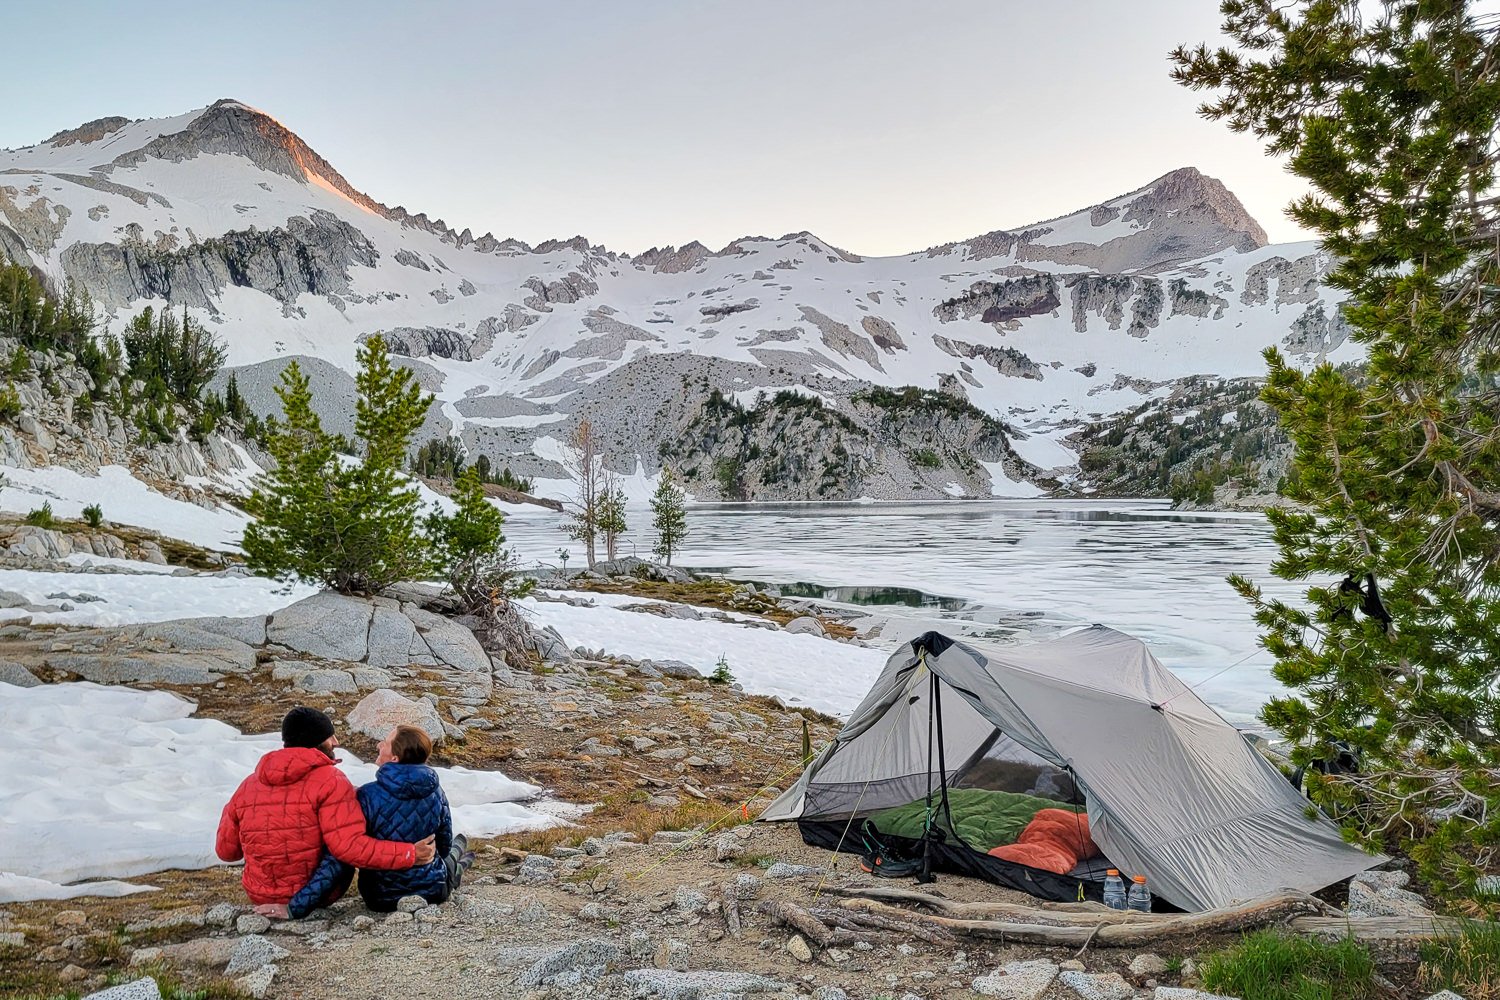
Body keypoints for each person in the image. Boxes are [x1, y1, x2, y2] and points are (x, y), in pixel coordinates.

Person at [215, 707, 436, 918]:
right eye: (330, 736)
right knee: (339, 849)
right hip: (318, 896)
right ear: (314, 741)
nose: (336, 742)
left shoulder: (247, 786)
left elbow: (227, 852)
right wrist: (409, 854)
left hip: (259, 895)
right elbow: (349, 849)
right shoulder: (331, 781)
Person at [350, 724, 475, 912]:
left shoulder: (367, 795)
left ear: (394, 758)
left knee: (451, 856)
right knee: (450, 854)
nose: (378, 745)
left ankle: (457, 863)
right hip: (432, 890)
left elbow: (357, 847)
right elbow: (443, 846)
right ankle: (457, 866)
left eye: (384, 743)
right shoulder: (436, 793)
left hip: (379, 895)